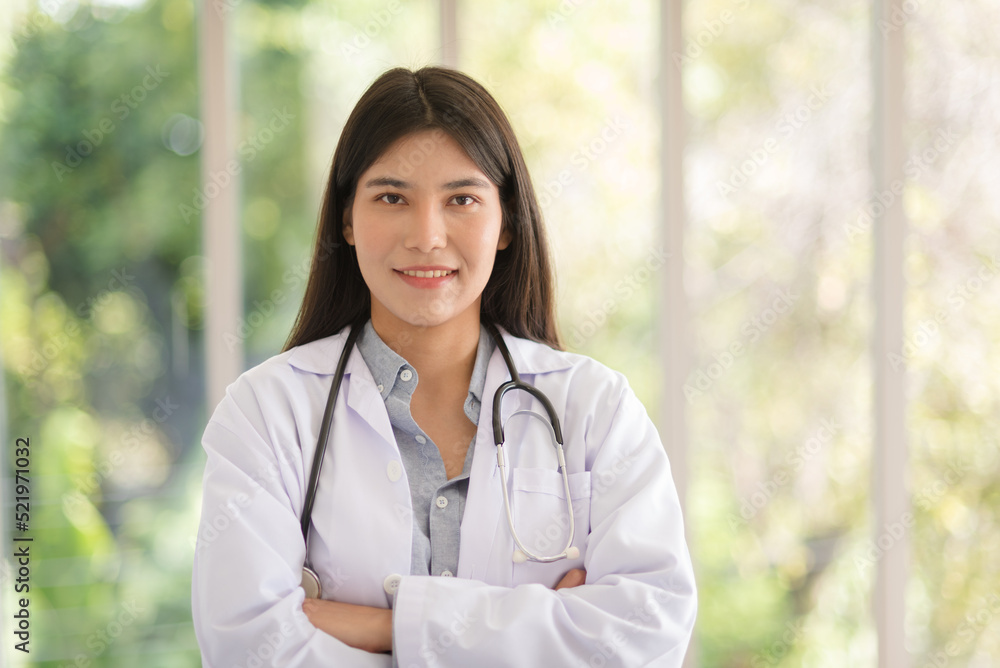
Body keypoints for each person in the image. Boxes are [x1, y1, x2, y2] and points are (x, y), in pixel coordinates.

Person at [192, 66, 696, 667]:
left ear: (505, 221)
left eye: (461, 199)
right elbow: (247, 646)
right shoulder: (267, 413)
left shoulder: (595, 407)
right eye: (391, 197)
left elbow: (645, 632)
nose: (427, 236)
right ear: (347, 220)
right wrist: (541, 630)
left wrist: (384, 627)